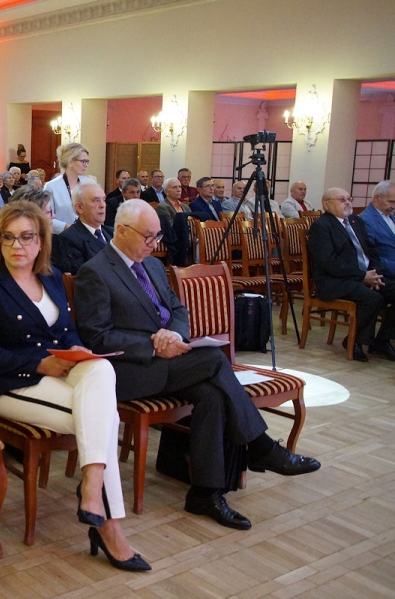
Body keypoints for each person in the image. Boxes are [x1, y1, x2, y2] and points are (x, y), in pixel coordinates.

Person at [75, 200, 320, 529]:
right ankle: (261, 445)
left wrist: (174, 335)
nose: (154, 244)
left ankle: (205, 492)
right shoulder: (95, 272)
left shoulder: (151, 265)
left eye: (157, 237)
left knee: (212, 395)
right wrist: (153, 344)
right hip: (130, 372)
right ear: (121, 230)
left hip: (171, 362)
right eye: (148, 237)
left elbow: (178, 310)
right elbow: (98, 337)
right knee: (214, 358)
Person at [0, 200, 150, 572]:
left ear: (41, 241)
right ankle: (109, 527)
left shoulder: (50, 277)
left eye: (27, 237)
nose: (17, 246)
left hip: (58, 371)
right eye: (8, 237)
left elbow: (66, 330)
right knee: (104, 420)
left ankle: (92, 485)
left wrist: (77, 349)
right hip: (12, 385)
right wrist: (39, 364)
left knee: (101, 369)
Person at [309, 187, 395, 362]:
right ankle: (354, 341)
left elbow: (372, 251)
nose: (348, 203)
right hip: (334, 280)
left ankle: (382, 341)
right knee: (373, 299)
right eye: (342, 200)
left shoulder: (356, 221)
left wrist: (375, 273)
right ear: (326, 204)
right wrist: (361, 276)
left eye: (349, 199)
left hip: (363, 275)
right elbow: (329, 262)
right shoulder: (321, 226)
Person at [52, 182, 112, 275]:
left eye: (103, 200)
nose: (103, 205)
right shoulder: (68, 239)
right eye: (96, 200)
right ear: (80, 207)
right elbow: (83, 276)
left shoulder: (113, 233)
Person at [44, 143, 97, 233]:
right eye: (83, 161)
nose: (86, 165)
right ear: (70, 162)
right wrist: (68, 227)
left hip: (87, 234)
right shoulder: (51, 186)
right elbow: (45, 217)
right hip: (62, 236)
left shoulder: (89, 183)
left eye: (87, 161)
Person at [360, 180, 395, 278]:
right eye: (391, 202)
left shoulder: (391, 217)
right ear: (377, 198)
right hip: (385, 274)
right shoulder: (366, 220)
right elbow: (369, 256)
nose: (394, 206)